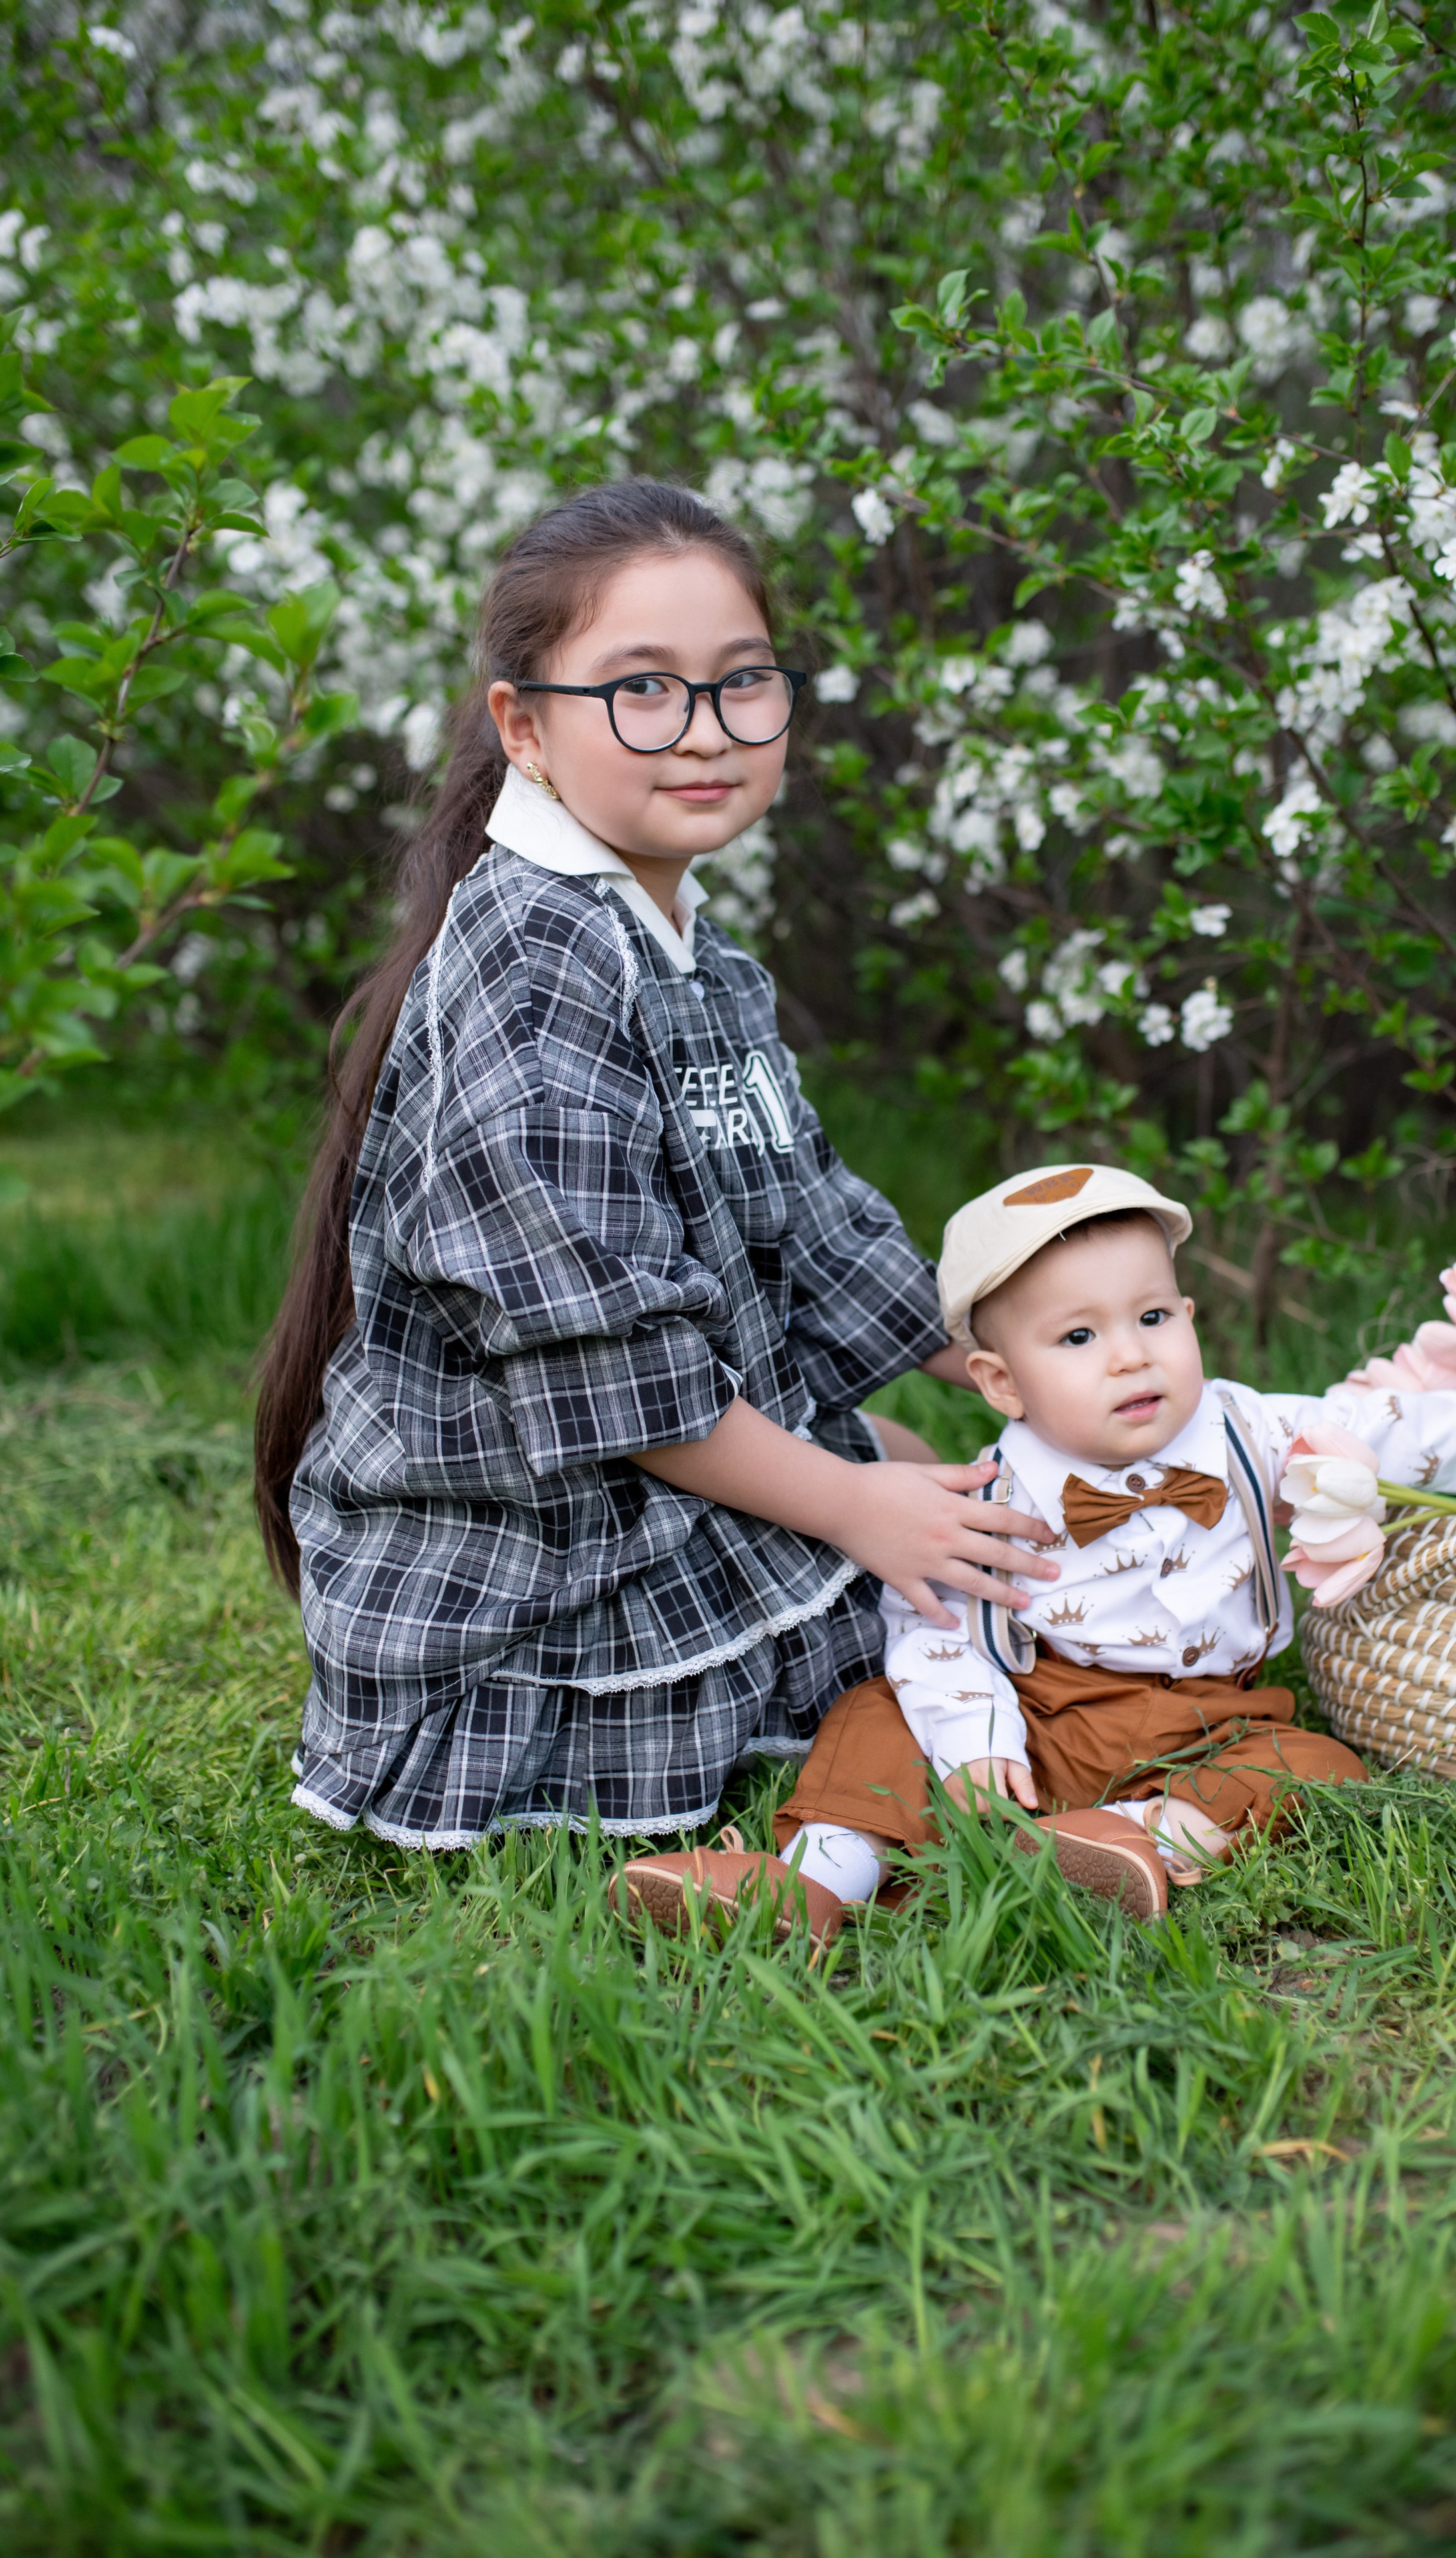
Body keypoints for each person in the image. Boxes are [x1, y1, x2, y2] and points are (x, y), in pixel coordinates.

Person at [254, 482, 1062, 1851]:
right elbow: (605, 1366)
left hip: (658, 1451)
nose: (704, 733)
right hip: (538, 1532)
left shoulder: (679, 944)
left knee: (944, 1474)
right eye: (640, 691)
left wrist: (1046, 1341)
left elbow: (805, 1218)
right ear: (525, 726)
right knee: (927, 1545)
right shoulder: (531, 967)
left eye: (741, 683)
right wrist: (860, 1508)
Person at [615, 1164, 1456, 1946]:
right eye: (1078, 1337)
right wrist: (979, 1748)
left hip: (1218, 1719)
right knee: (879, 1717)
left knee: (1313, 1763)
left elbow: (1388, 1431)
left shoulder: (1258, 1430)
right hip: (1045, 1715)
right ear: (1000, 1382)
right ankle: (815, 1883)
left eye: (1151, 1319)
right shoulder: (989, 1498)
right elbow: (942, 1635)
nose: (1129, 1358)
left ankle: (1130, 1840)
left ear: (1189, 1315)